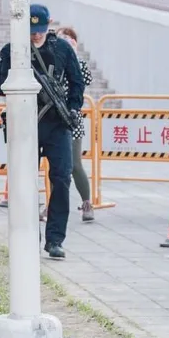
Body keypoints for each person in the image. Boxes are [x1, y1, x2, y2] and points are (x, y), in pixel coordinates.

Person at [0, 4, 85, 259]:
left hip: (57, 123)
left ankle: (55, 238)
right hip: (24, 122)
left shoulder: (62, 48)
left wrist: (74, 108)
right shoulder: (12, 50)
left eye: (40, 30)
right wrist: (24, 82)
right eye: (31, 30)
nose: (35, 35)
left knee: (62, 179)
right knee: (24, 181)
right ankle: (29, 235)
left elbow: (77, 82)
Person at [54, 26, 95, 222]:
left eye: (69, 39)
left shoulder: (78, 63)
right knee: (57, 166)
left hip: (72, 118)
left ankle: (87, 203)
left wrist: (72, 57)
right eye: (62, 38)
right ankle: (53, 206)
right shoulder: (53, 60)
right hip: (54, 118)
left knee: (75, 164)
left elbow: (84, 80)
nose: (65, 41)